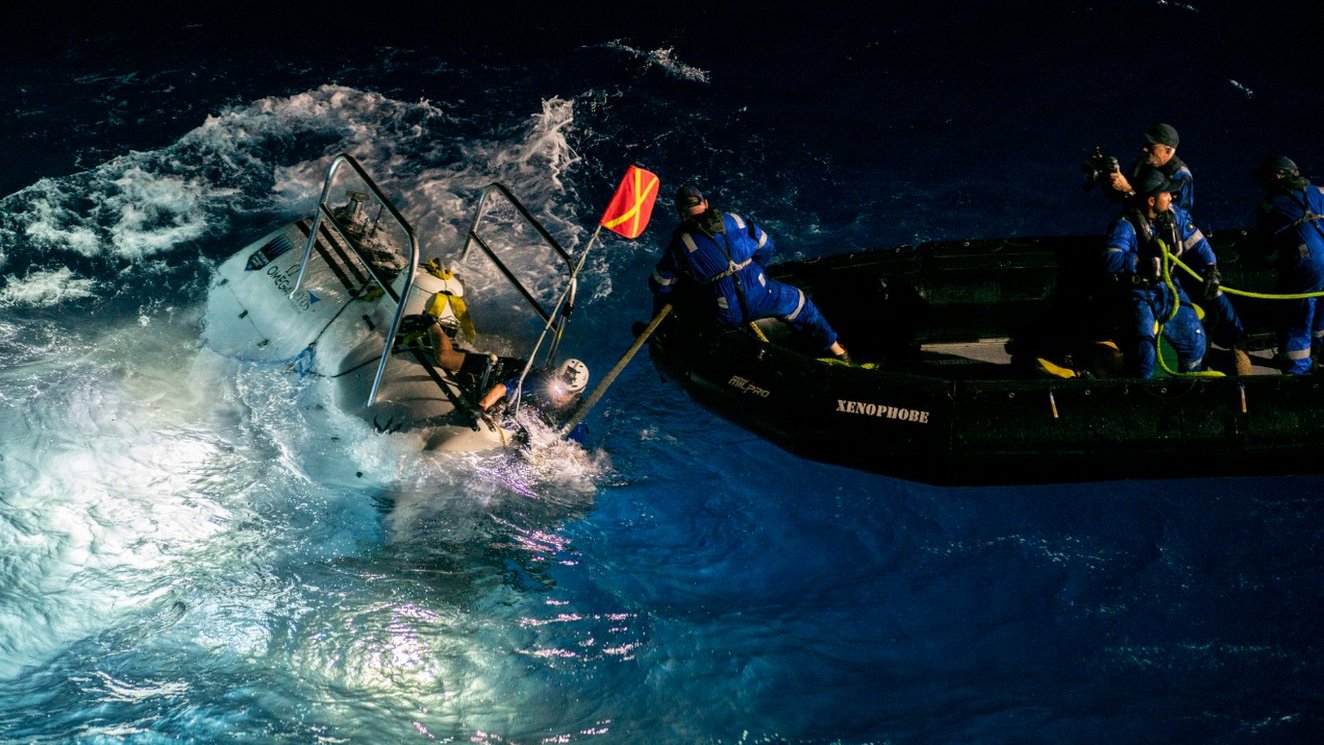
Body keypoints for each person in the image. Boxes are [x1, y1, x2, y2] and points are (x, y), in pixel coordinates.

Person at [649, 184, 851, 362]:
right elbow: (767, 247)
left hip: (728, 313)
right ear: (705, 202)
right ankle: (839, 352)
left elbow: (662, 284)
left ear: (681, 213)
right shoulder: (735, 220)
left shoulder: (680, 243)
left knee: (694, 311)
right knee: (800, 302)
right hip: (763, 295)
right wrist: (755, 272)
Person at [1102, 168, 1210, 378]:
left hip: (1168, 289)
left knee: (1195, 339)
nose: (1171, 197)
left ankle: (1191, 382)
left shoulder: (1173, 216)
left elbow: (1198, 242)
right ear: (1152, 200)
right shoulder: (1125, 226)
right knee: (1145, 350)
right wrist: (1139, 262)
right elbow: (1110, 259)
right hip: (1140, 293)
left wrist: (1212, 268)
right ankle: (1144, 394)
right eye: (1166, 193)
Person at [1253, 156, 1324, 375]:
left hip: (1308, 262)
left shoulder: (1269, 204)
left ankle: (1297, 371)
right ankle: (1319, 357)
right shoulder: (1318, 191)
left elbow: (1266, 250)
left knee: (1296, 312)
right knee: (1321, 310)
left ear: (1276, 177)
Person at [477, 358, 590, 442]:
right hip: (515, 370)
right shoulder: (541, 382)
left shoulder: (576, 420)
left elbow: (574, 455)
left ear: (577, 394)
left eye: (568, 392)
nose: (559, 396)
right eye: (559, 388)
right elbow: (504, 388)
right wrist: (481, 406)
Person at [1108, 122, 1196, 214]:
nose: (1144, 149)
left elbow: (1168, 217)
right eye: (1146, 143)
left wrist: (1128, 190)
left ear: (1168, 151)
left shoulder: (1181, 176)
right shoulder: (1142, 163)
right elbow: (1118, 197)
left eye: (1151, 146)